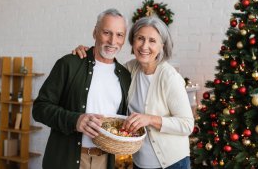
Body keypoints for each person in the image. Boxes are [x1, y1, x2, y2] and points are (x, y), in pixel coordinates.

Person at [73, 16, 194, 169]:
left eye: (152, 41)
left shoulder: (169, 77)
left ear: (162, 46)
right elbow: (104, 64)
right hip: (140, 163)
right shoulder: (129, 70)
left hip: (172, 164)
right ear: (132, 41)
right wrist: (87, 53)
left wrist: (150, 119)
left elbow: (187, 124)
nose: (144, 46)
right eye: (140, 38)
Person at [33, 8, 131, 169]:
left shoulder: (125, 76)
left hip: (105, 161)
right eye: (107, 32)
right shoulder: (69, 64)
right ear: (95, 32)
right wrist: (75, 120)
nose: (113, 41)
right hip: (68, 160)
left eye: (119, 35)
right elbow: (39, 108)